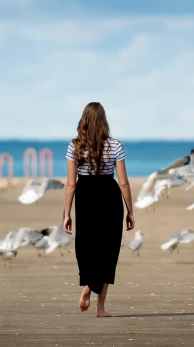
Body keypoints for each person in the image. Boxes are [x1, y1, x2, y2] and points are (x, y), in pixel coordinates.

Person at [61, 102, 135, 317]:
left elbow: (71, 183)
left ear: (83, 120)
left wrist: (67, 213)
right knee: (109, 250)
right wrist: (130, 210)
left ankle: (88, 286)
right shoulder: (115, 145)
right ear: (104, 121)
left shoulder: (74, 146)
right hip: (109, 196)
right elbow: (123, 182)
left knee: (87, 247)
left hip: (85, 196)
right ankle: (100, 308)